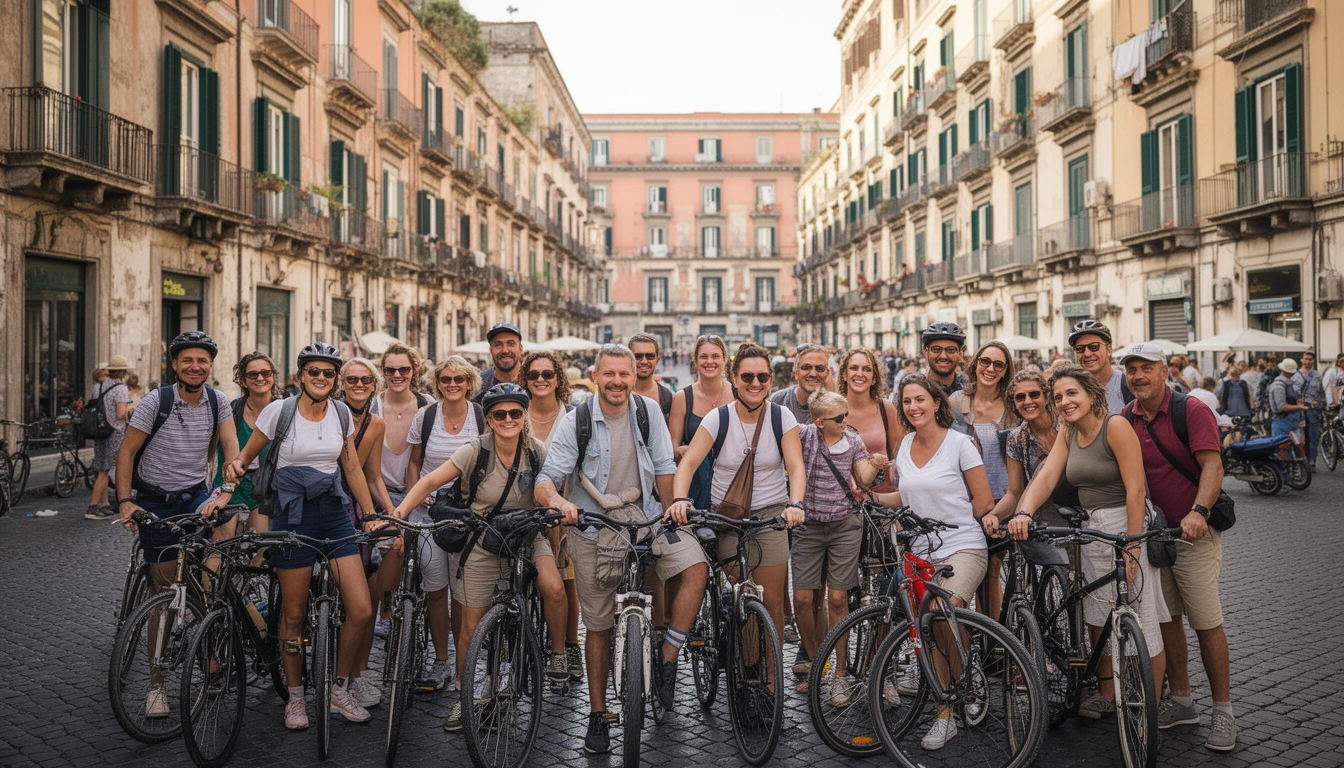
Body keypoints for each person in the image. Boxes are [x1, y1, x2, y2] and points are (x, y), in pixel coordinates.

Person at [537, 346, 709, 754]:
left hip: (647, 523)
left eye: (624, 375)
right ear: (595, 375)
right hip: (593, 533)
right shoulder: (576, 420)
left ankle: (667, 658)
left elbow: (665, 468)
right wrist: (559, 503)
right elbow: (546, 477)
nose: (617, 381)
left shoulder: (648, 412)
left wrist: (671, 514)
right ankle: (598, 717)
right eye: (609, 374)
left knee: (696, 567)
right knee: (598, 629)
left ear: (634, 377)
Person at [394, 383, 569, 732]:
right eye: (500, 414)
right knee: (470, 626)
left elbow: (555, 486)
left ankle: (559, 655)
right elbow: (429, 481)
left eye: (515, 413)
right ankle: (464, 701)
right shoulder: (475, 450)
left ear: (524, 416)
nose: (508, 419)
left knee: (554, 587)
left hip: (526, 534)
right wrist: (400, 513)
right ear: (489, 419)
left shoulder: (536, 451)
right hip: (483, 538)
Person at [225, 342, 377, 730]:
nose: (322, 379)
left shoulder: (342, 412)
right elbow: (244, 459)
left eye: (329, 373)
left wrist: (372, 515)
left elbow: (352, 468)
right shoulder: (280, 411)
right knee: (292, 616)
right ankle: (295, 698)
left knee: (361, 610)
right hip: (291, 515)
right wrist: (224, 487)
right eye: (314, 372)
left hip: (333, 510)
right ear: (301, 376)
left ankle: (338, 690)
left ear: (336, 379)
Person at [1008, 364, 1167, 721]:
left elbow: (1136, 489)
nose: (1064, 402)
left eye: (1071, 393)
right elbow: (1047, 476)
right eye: (1059, 396)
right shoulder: (1068, 432)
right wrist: (1024, 512)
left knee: (1143, 620)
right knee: (1099, 615)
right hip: (1092, 526)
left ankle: (1150, 711)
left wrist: (1133, 546)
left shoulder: (1115, 426)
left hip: (1127, 522)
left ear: (1092, 394)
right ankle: (1108, 693)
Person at [667, 342, 806, 711]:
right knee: (745, 599)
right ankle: (747, 680)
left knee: (773, 605)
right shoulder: (718, 419)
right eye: (748, 376)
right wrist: (680, 498)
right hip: (728, 517)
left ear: (770, 379)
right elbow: (688, 463)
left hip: (771, 513)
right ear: (735, 378)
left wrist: (795, 503)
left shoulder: (781, 418)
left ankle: (772, 685)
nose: (755, 383)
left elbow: (795, 467)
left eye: (762, 377)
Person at [1119, 343, 1235, 751]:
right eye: (1131, 369)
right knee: (1168, 620)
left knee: (1205, 621)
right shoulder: (1125, 418)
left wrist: (1199, 511)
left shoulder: (1191, 410)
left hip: (1193, 534)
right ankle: (1183, 700)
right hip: (1155, 536)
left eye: (1145, 367)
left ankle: (1223, 711)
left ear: (1164, 369)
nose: (1138, 375)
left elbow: (1212, 465)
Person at [871, 374, 993, 750]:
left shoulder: (960, 444)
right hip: (918, 554)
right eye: (907, 402)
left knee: (942, 611)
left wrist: (950, 519)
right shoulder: (905, 444)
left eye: (921, 399)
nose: (914, 407)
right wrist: (871, 499)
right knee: (927, 626)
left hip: (962, 547)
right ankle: (946, 712)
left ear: (936, 403)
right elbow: (904, 499)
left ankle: (966, 681)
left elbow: (983, 501)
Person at [117, 331, 241, 578]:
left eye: (202, 361)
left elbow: (233, 457)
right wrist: (124, 502)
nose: (195, 367)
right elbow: (126, 453)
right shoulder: (156, 401)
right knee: (164, 586)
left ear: (211, 365)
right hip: (155, 501)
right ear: (175, 364)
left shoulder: (219, 401)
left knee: (227, 519)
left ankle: (208, 597)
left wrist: (223, 497)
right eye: (187, 360)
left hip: (195, 495)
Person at [396, 356, 483, 693]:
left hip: (468, 519)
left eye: (458, 379)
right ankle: (442, 661)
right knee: (436, 592)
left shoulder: (480, 417)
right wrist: (412, 503)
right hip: (430, 516)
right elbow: (414, 462)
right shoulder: (426, 415)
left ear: (469, 383)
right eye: (445, 379)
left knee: (462, 596)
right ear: (437, 383)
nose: (451, 384)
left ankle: (463, 667)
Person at [791, 390, 882, 702]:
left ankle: (841, 672)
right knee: (802, 598)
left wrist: (874, 464)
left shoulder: (853, 441)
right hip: (810, 525)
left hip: (845, 524)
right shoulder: (804, 437)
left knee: (839, 598)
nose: (847, 421)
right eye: (840, 417)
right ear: (819, 422)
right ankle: (820, 662)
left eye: (846, 414)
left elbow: (864, 477)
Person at [519, 349, 584, 683]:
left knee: (567, 583)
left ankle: (569, 648)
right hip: (521, 512)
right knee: (510, 582)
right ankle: (507, 649)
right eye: (534, 375)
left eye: (547, 374)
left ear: (558, 378)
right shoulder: (514, 413)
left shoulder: (572, 416)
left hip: (563, 511)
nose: (541, 380)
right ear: (525, 380)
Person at [338, 357, 398, 707]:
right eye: (352, 380)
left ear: (374, 386)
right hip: (329, 505)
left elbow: (372, 476)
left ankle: (356, 675)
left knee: (361, 595)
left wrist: (391, 510)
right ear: (341, 384)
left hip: (359, 507)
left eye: (365, 380)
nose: (359, 386)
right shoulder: (329, 415)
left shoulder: (376, 424)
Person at [952, 341, 1017, 620]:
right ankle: (962, 634)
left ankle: (992, 638)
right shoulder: (956, 402)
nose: (990, 368)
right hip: (964, 502)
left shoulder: (1013, 404)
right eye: (985, 361)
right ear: (975, 363)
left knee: (992, 569)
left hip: (1003, 500)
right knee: (963, 570)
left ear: (1005, 371)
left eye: (998, 364)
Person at [215, 352, 282, 532]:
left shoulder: (285, 413)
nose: (260, 378)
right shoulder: (230, 412)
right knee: (221, 544)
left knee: (260, 547)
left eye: (266, 373)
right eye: (253, 374)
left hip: (265, 486)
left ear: (273, 377)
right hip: (230, 484)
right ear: (243, 381)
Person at [668, 335, 735, 512]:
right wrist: (683, 450)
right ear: (696, 361)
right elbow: (672, 451)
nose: (709, 361)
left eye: (715, 356)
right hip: (696, 486)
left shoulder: (738, 394)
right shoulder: (683, 398)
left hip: (733, 487)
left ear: (724, 360)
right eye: (703, 357)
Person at [839, 347, 903, 492]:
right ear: (844, 374)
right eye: (854, 368)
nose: (860, 374)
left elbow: (899, 456)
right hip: (844, 499)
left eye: (867, 369)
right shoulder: (833, 410)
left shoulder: (886, 409)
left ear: (874, 378)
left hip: (883, 500)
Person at [85, 355, 131, 520]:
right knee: (106, 470)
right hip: (114, 432)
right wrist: (129, 410)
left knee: (101, 468)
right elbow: (120, 414)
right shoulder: (120, 389)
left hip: (100, 431)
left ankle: (104, 503)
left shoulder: (99, 385)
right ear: (123, 372)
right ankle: (93, 507)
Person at [1068, 320, 1132, 414]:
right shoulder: (1069, 391)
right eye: (1080, 349)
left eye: (1094, 346)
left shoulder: (1128, 387)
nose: (1087, 354)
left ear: (1109, 350)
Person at [900, 322, 968, 402]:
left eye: (951, 350)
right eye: (936, 349)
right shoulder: (911, 389)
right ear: (925, 352)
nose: (943, 356)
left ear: (960, 353)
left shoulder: (970, 389)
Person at [769, 343, 830, 425]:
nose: (813, 374)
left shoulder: (834, 406)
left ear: (827, 374)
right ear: (796, 373)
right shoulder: (777, 401)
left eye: (820, 368)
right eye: (806, 368)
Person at [472, 322, 524, 400]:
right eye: (498, 344)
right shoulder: (478, 386)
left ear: (520, 349)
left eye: (510, 344)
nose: (505, 350)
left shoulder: (536, 380)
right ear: (491, 350)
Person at [629, 333, 674, 417]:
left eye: (650, 356)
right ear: (629, 359)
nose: (644, 361)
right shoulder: (618, 393)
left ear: (657, 360)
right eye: (638, 356)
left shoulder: (669, 397)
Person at [1293, 351, 1325, 468]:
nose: (1307, 361)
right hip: (1298, 408)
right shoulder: (1295, 376)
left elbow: (1321, 393)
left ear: (1313, 361)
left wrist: (1320, 404)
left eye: (1310, 359)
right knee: (1299, 434)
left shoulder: (1317, 375)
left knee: (1312, 434)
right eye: (1306, 359)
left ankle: (1312, 460)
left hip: (1312, 408)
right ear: (1301, 360)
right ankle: (1302, 459)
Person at [1267, 359, 1306, 441]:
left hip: (1290, 421)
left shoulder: (1289, 383)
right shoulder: (1279, 385)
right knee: (1283, 449)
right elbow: (1282, 407)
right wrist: (1300, 407)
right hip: (1282, 421)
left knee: (1293, 449)